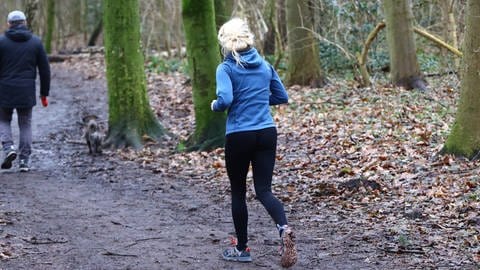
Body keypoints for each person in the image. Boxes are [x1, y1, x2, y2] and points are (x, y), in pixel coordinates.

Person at [211, 18, 297, 267]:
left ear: (225, 42)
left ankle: (242, 249)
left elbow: (225, 99)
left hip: (239, 135)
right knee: (264, 191)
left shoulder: (225, 68)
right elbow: (282, 96)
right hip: (267, 133)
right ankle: (284, 229)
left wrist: (215, 105)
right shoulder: (265, 65)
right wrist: (257, 100)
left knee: (238, 192)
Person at [0, 10, 50, 172]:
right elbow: (44, 70)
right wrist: (44, 93)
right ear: (25, 23)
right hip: (26, 91)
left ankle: (9, 148)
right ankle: (24, 161)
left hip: (4, 89)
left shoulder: (1, 42)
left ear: (9, 24)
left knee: (3, 120)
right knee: (25, 124)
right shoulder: (35, 42)